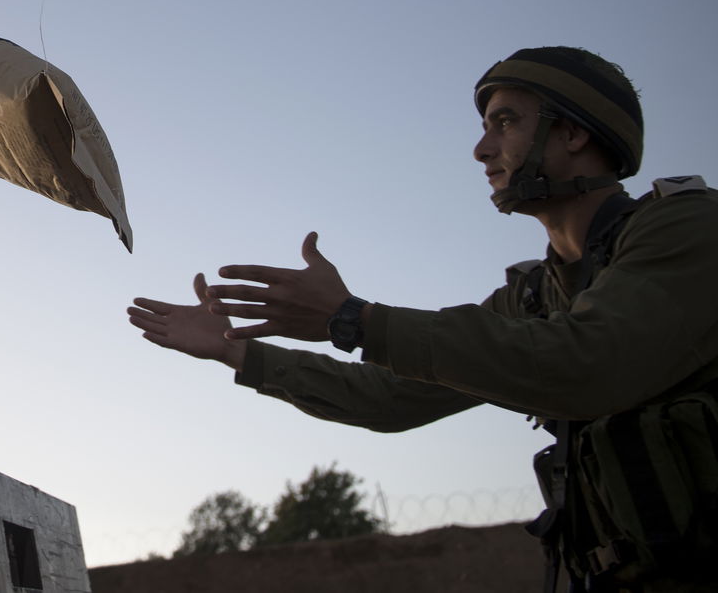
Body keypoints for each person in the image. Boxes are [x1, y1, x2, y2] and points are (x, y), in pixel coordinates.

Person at [128, 47, 718, 592]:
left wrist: (353, 319)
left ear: (573, 132)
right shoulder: (534, 296)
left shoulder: (685, 230)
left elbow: (586, 363)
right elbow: (388, 397)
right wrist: (237, 351)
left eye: (506, 123)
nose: (482, 149)